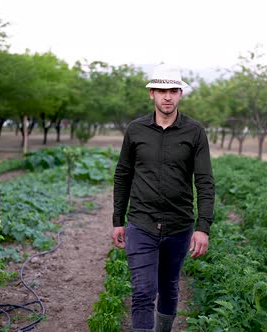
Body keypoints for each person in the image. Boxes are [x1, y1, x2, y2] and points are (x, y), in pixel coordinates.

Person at [111, 64, 215, 332]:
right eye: (161, 91)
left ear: (180, 94)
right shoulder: (136, 130)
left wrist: (203, 227)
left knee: (168, 286)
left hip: (178, 225)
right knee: (144, 291)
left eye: (172, 91)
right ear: (152, 94)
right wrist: (117, 220)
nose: (166, 96)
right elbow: (123, 174)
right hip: (141, 223)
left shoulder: (194, 132)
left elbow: (204, 181)